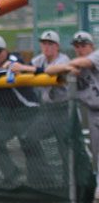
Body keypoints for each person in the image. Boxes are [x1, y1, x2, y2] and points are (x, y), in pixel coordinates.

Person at [0, 34, 48, 186]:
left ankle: (42, 178)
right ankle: (11, 174)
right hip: (7, 116)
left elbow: (8, 72)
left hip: (27, 111)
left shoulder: (14, 59)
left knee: (29, 142)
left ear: (5, 51)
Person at [44, 30, 99, 203]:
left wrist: (68, 65)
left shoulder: (96, 55)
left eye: (84, 45)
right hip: (93, 114)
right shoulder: (73, 66)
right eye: (77, 46)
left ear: (91, 46)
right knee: (97, 159)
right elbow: (48, 70)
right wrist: (67, 69)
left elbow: (86, 62)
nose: (81, 49)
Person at [8, 30, 71, 183]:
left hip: (65, 110)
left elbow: (51, 72)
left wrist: (25, 68)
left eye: (50, 44)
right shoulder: (39, 59)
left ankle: (69, 185)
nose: (47, 47)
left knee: (66, 149)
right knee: (29, 138)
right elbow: (24, 67)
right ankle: (43, 177)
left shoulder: (64, 58)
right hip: (48, 111)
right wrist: (14, 66)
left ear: (57, 46)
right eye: (44, 43)